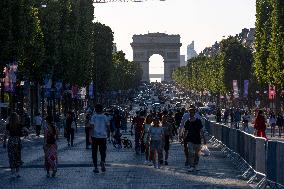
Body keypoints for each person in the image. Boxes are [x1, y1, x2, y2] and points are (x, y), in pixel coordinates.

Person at [184, 107, 206, 172]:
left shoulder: (198, 121)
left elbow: (201, 130)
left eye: (192, 112)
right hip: (190, 139)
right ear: (189, 113)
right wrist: (183, 139)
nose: (191, 113)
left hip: (197, 139)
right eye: (190, 112)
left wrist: (204, 139)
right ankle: (191, 166)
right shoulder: (187, 122)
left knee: (197, 153)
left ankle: (196, 165)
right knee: (191, 153)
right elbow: (185, 131)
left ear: (194, 113)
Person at [90, 104, 110, 173]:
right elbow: (108, 127)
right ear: (102, 109)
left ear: (95, 109)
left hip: (95, 137)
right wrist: (108, 134)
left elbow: (92, 127)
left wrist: (90, 136)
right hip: (103, 137)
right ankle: (102, 161)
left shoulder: (93, 117)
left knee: (94, 152)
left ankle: (96, 167)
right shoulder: (105, 117)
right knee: (103, 151)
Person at [6, 112, 27, 178]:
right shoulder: (20, 125)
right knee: (17, 156)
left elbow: (5, 134)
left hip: (11, 141)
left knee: (11, 157)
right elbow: (26, 131)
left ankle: (12, 171)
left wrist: (4, 142)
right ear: (17, 118)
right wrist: (24, 134)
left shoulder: (8, 125)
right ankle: (17, 172)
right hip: (17, 141)